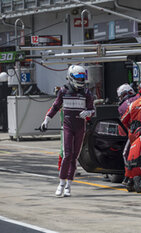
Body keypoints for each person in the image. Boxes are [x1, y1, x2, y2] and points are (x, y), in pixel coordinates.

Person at [40, 65, 94, 197]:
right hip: (68, 127)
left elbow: (92, 110)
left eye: (83, 77)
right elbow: (55, 106)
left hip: (80, 127)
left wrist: (88, 112)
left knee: (75, 157)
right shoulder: (63, 91)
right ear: (71, 77)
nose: (81, 80)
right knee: (67, 155)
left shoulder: (87, 93)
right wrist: (46, 120)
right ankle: (61, 183)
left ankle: (69, 185)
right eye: (78, 77)